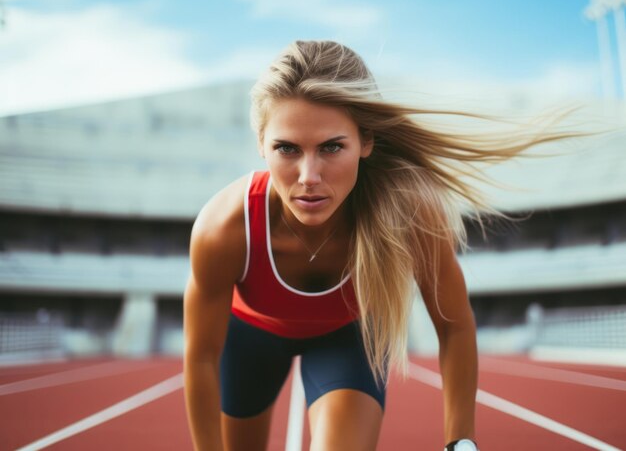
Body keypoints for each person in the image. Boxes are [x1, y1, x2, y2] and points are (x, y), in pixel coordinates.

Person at [183, 40, 575, 451]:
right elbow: (202, 358)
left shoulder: (410, 214)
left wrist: (460, 442)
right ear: (261, 143)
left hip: (345, 340)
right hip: (249, 343)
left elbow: (454, 325)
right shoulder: (224, 228)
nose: (309, 175)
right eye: (287, 149)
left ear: (365, 141)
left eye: (332, 147)